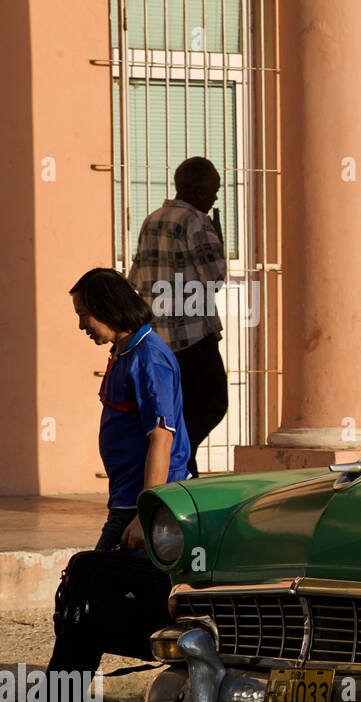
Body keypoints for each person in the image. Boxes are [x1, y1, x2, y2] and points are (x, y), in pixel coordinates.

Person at [0, 269, 190, 702]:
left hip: (142, 510)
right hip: (127, 505)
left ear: (109, 308)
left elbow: (161, 439)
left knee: (88, 599)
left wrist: (148, 514)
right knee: (84, 603)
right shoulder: (123, 353)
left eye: (85, 313)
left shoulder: (150, 358)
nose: (82, 323)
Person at [127, 155, 228, 479]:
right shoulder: (197, 222)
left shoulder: (152, 219)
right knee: (213, 403)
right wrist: (219, 243)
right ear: (198, 192)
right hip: (193, 336)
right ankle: (179, 459)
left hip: (160, 340)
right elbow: (215, 278)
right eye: (213, 192)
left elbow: (134, 279)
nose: (215, 198)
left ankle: (181, 463)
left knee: (178, 409)